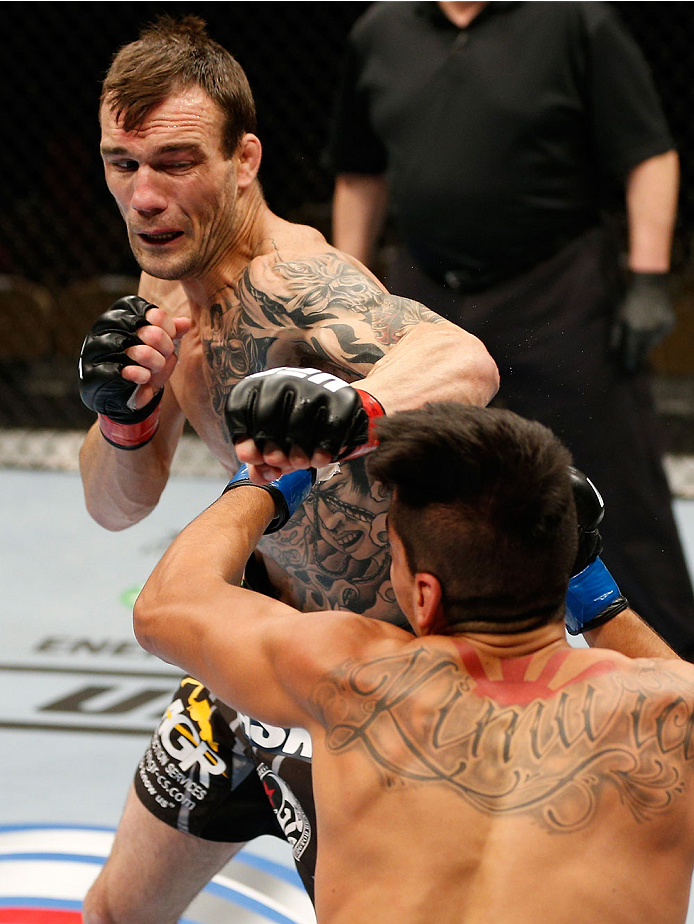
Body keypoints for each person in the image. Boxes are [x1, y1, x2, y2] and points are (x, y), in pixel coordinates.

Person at [77, 14, 499, 922]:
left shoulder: (297, 283)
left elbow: (467, 360)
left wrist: (359, 405)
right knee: (116, 911)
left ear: (244, 160)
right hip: (258, 657)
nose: (145, 196)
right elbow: (119, 507)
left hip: (381, 686)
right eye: (124, 164)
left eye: (176, 163)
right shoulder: (164, 292)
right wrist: (121, 423)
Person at [132, 400, 693, 924]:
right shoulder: (670, 711)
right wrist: (594, 596)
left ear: (424, 595)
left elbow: (167, 604)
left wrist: (264, 485)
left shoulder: (349, 677)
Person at [328, 0, 694, 656]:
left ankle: (678, 684)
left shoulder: (576, 22)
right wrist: (345, 302)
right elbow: (360, 175)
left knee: (622, 505)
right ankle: (405, 688)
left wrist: (646, 278)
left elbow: (650, 154)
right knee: (408, 497)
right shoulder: (381, 30)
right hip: (427, 304)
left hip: (558, 294)